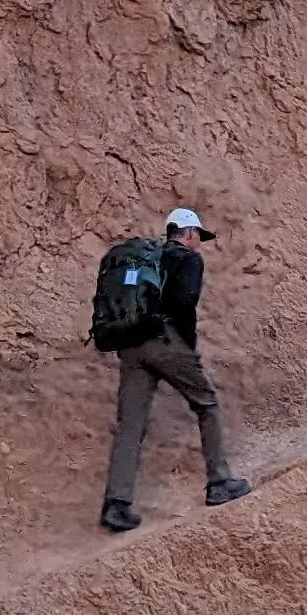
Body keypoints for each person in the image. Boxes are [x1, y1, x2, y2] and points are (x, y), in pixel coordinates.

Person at [99, 206, 251, 532]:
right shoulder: (188, 258)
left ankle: (116, 503)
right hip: (165, 342)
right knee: (207, 403)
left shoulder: (147, 257)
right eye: (199, 236)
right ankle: (219, 481)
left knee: (130, 425)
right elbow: (185, 302)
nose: (199, 243)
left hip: (130, 344)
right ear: (190, 233)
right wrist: (187, 348)